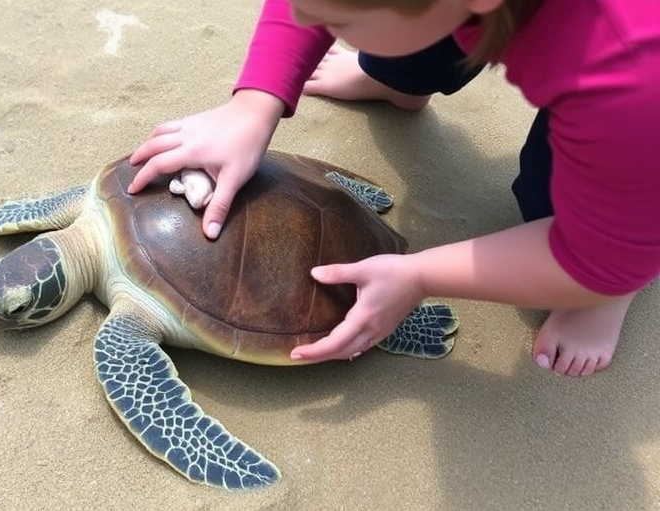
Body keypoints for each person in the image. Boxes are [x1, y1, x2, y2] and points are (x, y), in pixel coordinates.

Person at [126, 0, 660, 377]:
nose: (310, 17)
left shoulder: (629, 79)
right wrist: (254, 103)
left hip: (640, 117)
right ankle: (397, 77)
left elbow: (596, 254)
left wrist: (419, 275)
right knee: (405, 30)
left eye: (340, 19)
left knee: (587, 223)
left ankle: (613, 291)